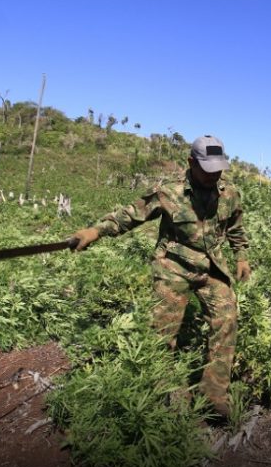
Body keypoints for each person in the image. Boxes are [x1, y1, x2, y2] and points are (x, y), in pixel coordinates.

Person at [71, 135, 251, 419]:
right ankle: (158, 392)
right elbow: (131, 214)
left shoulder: (229, 193)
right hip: (173, 265)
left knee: (227, 319)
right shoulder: (168, 191)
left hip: (211, 267)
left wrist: (241, 256)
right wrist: (96, 231)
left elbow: (235, 228)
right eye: (208, 168)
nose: (214, 174)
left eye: (218, 168)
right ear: (191, 162)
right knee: (163, 331)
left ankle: (213, 394)